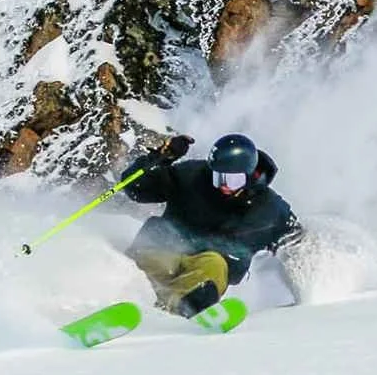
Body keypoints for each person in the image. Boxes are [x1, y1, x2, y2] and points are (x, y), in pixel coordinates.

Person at [120, 132, 303, 317]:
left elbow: (296, 243)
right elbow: (135, 189)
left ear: (250, 175)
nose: (224, 186)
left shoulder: (269, 209)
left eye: (233, 180)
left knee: (213, 265)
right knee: (158, 265)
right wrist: (161, 157)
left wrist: (307, 286)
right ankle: (121, 300)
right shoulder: (191, 176)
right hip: (162, 247)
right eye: (219, 178)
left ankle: (174, 311)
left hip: (205, 269)